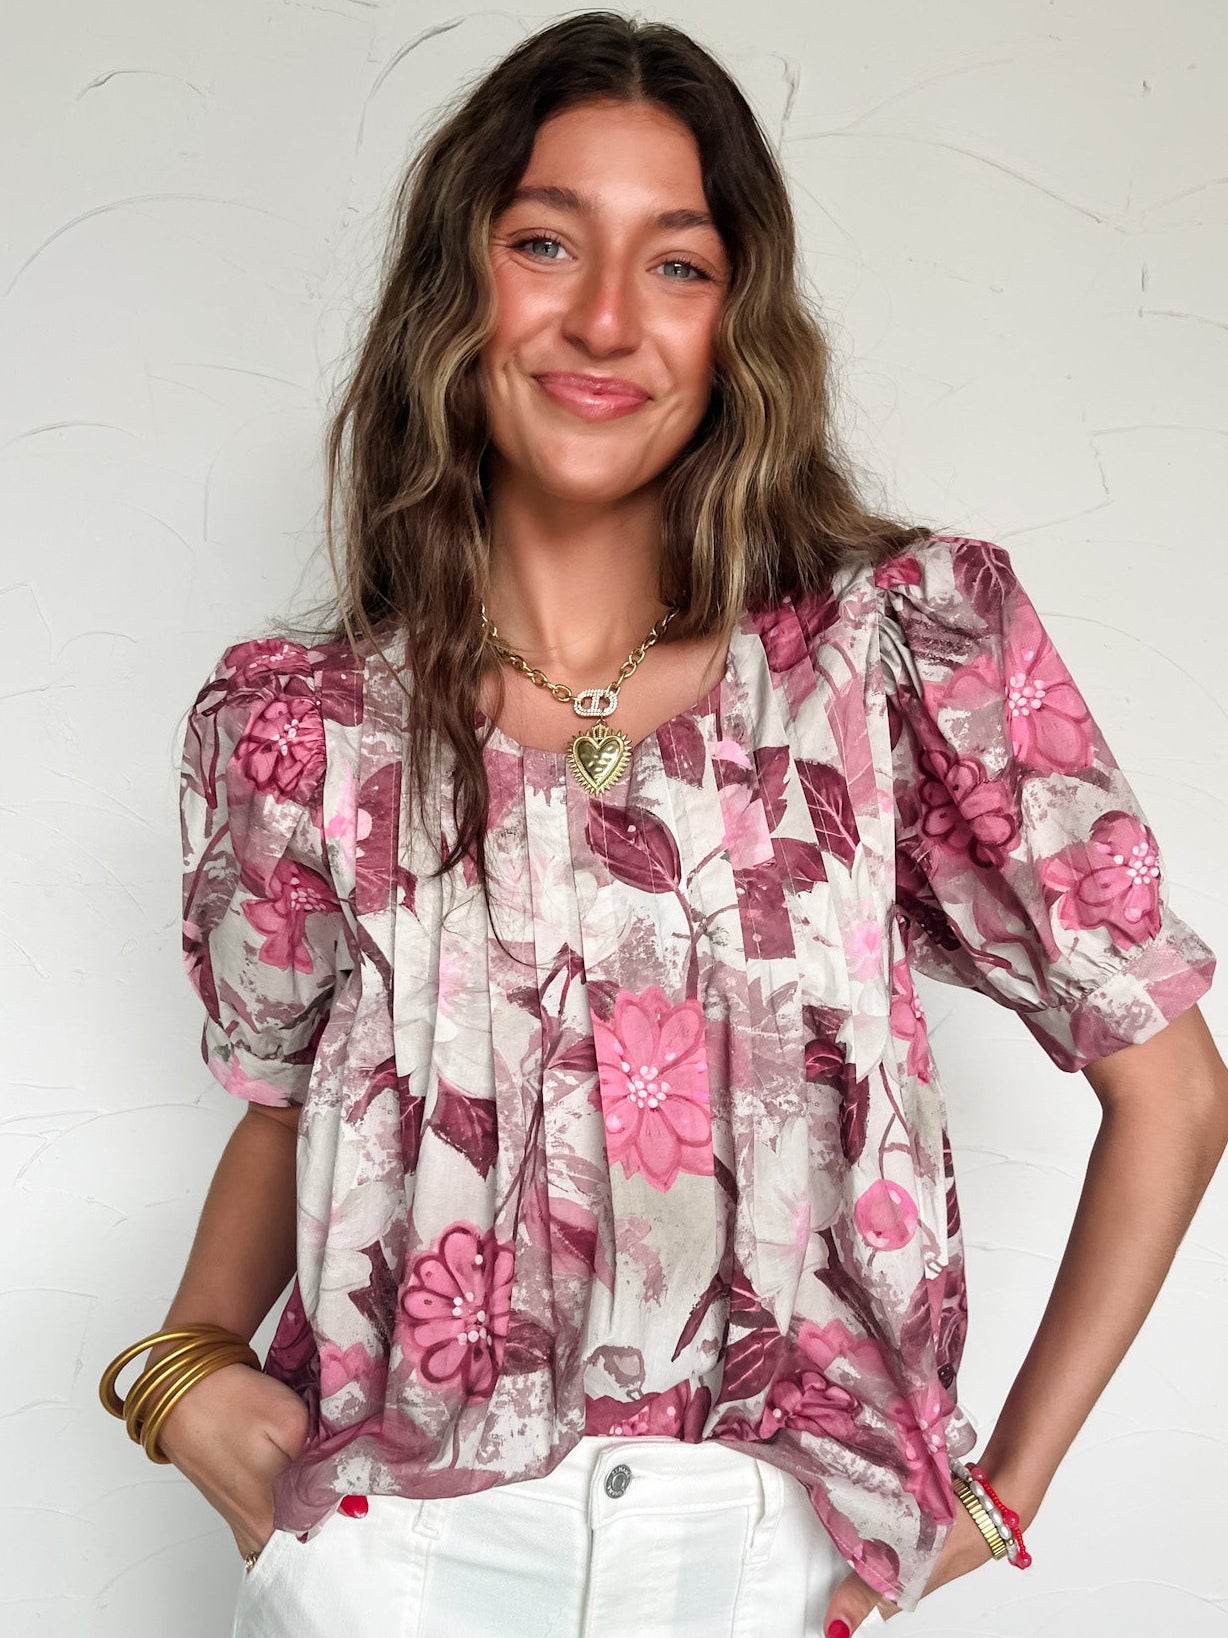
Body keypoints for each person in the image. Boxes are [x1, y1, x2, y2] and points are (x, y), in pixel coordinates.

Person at [98, 12, 1228, 1637]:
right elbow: (288, 1111)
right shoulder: (312, 731)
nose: (607, 319)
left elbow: (1173, 1091)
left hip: (757, 1558)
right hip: (390, 1558)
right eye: (545, 241)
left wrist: (1004, 1491)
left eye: (679, 266)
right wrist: (179, 1374)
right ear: (455, 288)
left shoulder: (891, 657)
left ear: (737, 321)